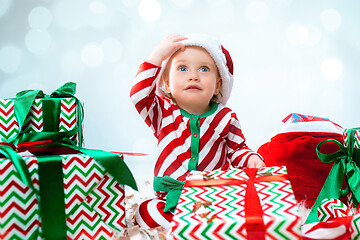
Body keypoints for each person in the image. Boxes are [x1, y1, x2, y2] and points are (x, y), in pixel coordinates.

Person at [130, 33, 265, 229]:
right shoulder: (162, 112)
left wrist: (251, 158)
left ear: (218, 85)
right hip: (171, 200)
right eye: (182, 68)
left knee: (237, 215)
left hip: (214, 197)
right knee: (146, 211)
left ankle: (202, 227)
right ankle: (188, 227)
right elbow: (138, 95)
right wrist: (157, 56)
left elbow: (237, 149)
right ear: (166, 83)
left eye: (204, 69)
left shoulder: (226, 117)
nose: (193, 76)